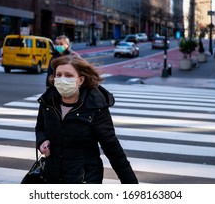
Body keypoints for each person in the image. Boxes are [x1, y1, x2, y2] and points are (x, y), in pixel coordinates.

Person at [35, 55, 138, 184]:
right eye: (58, 75)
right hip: (52, 176)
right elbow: (40, 128)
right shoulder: (48, 101)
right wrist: (42, 140)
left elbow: (112, 148)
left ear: (80, 80)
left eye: (68, 76)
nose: (62, 79)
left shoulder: (95, 106)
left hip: (85, 178)